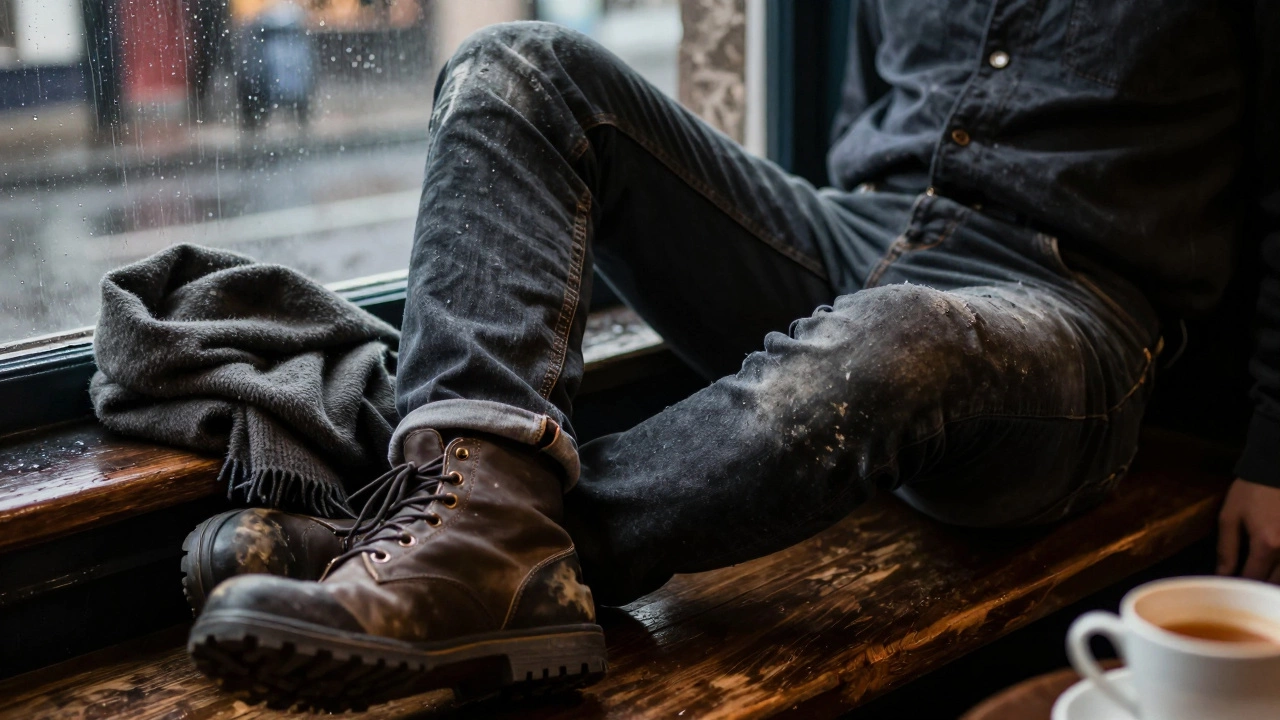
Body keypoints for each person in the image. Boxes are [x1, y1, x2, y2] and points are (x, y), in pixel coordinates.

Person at [185, 1, 1280, 710]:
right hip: (867, 231)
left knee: (901, 337)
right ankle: (466, 518)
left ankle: (439, 543)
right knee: (517, 67)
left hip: (1069, 302)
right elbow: (872, 121)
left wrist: (1274, 444)